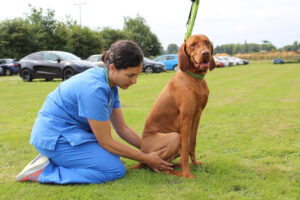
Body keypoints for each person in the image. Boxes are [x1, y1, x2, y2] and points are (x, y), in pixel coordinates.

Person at [16, 40, 173, 184]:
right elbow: (105, 141)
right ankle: (43, 171)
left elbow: (122, 128)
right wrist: (146, 158)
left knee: (114, 156)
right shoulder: (94, 90)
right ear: (112, 68)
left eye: (137, 75)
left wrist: (149, 150)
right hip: (53, 139)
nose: (134, 81)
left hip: (70, 134)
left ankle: (57, 160)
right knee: (114, 169)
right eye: (130, 75)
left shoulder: (110, 84)